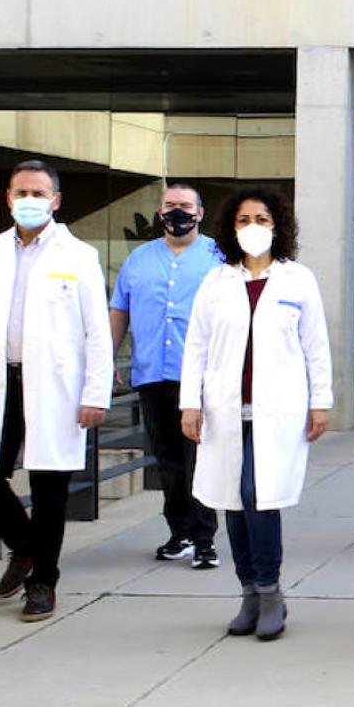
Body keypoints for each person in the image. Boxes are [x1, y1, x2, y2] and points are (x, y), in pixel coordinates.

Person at [0, 160, 112, 623]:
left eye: (39, 193)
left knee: (49, 488)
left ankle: (43, 583)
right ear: (8, 197)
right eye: (21, 192)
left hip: (55, 386)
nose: (29, 200)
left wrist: (95, 394)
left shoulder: (77, 255)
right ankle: (25, 549)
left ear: (56, 201)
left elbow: (97, 332)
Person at [180, 185, 332, 642]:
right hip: (225, 410)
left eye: (262, 220)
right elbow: (197, 346)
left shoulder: (297, 279)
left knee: (257, 495)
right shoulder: (216, 281)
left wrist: (320, 401)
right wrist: (190, 402)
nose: (252, 229)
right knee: (232, 499)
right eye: (244, 221)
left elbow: (316, 346)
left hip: (278, 411)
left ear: (278, 226)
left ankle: (270, 592)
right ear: (230, 228)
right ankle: (248, 592)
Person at [109, 183, 224, 570]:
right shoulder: (139, 260)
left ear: (200, 213)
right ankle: (180, 533)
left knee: (201, 459)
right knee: (168, 462)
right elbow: (119, 310)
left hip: (201, 379)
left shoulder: (218, 259)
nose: (177, 212)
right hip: (152, 374)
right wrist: (107, 357)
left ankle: (205, 538)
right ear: (160, 212)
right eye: (170, 205)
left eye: (185, 205)